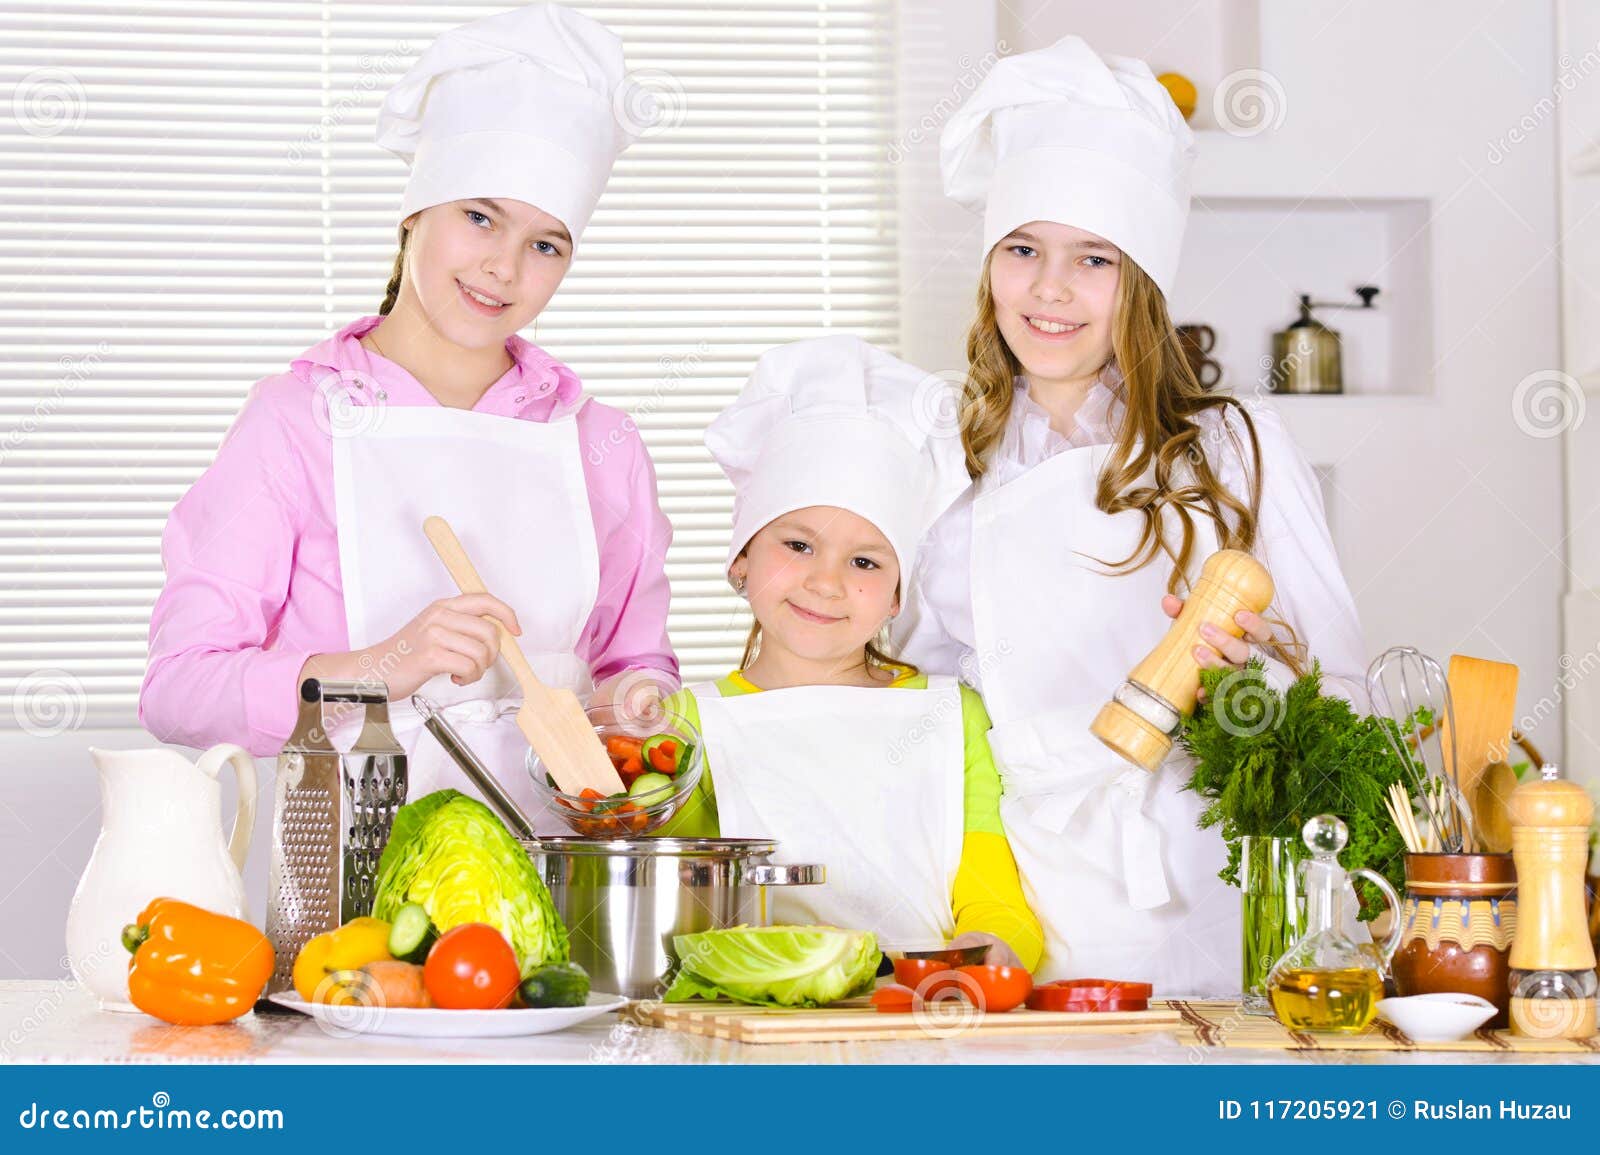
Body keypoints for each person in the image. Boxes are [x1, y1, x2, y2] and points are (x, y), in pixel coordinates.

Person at [893, 36, 1367, 992]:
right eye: (1022, 249)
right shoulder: (945, 466)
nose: (1050, 288)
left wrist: (1264, 675)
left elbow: (1342, 690)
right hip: (1021, 889)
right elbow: (926, 713)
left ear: (1141, 283)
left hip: (1213, 871)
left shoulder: (1236, 449)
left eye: (1093, 259)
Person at [139, 4, 676, 816]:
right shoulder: (296, 422)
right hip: (353, 892)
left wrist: (641, 702)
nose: (503, 267)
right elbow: (179, 690)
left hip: (555, 880)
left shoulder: (601, 441)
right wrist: (386, 663)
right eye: (479, 215)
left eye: (546, 243)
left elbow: (635, 665)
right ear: (414, 209)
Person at [655, 336, 1043, 970]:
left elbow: (992, 891)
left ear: (896, 596)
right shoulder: (687, 722)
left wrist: (995, 949)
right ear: (742, 560)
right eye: (798, 545)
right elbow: (681, 908)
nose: (826, 582)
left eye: (865, 561)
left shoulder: (952, 715)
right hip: (756, 1023)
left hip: (917, 1014)